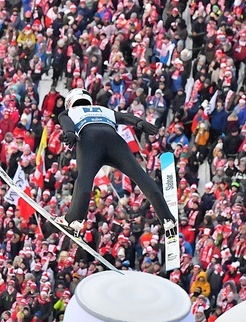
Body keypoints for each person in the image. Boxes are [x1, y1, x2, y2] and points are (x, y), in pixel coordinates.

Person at [57, 88, 176, 236]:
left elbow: (66, 123)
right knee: (142, 177)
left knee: (84, 180)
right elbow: (124, 117)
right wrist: (139, 123)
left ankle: (74, 220)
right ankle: (167, 218)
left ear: (70, 102)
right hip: (115, 143)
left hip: (90, 142)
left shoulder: (69, 112)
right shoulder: (103, 109)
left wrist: (69, 133)